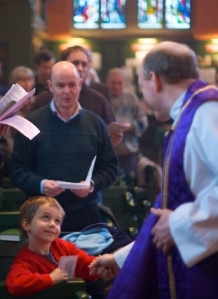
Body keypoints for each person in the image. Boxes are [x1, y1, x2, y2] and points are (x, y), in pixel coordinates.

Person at [89, 41, 218, 299]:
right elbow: (174, 207)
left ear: (154, 80)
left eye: (141, 85)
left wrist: (181, 223)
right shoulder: (191, 113)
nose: (142, 93)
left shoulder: (208, 113)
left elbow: (178, 218)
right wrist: (122, 258)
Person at [8, 61, 118, 232]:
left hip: (86, 217)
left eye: (72, 85)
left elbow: (111, 168)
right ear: (50, 86)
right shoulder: (32, 122)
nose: (67, 91)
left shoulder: (96, 123)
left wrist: (92, 185)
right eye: (60, 85)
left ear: (80, 84)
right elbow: (17, 169)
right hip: (42, 218)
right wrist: (41, 184)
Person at [6, 196, 99, 297]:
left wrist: (99, 265)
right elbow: (16, 284)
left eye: (57, 221)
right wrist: (51, 278)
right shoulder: (25, 259)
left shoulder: (65, 247)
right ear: (27, 224)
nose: (52, 224)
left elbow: (86, 264)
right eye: (45, 217)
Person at [29, 46, 122, 147]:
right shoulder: (44, 98)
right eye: (75, 63)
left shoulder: (98, 100)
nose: (80, 68)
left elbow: (109, 134)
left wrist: (113, 138)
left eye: (84, 64)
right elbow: (28, 135)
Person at [106, 67, 148, 174]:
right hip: (106, 153)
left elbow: (143, 123)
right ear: (107, 82)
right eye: (113, 83)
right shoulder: (102, 97)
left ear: (124, 83)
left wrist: (129, 126)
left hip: (127, 152)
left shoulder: (131, 98)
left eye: (119, 83)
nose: (116, 87)